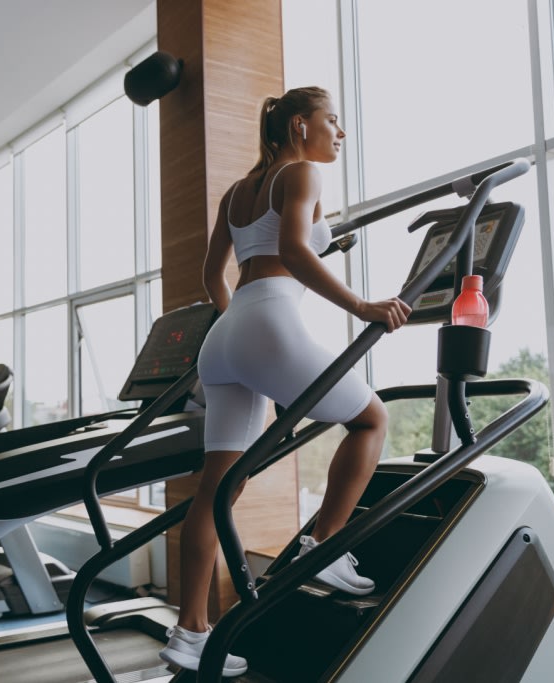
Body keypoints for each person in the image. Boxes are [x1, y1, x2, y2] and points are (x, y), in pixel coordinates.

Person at [158, 86, 412, 676]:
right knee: (370, 418)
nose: (340, 132)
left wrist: (236, 331)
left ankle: (190, 630)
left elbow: (210, 274)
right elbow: (296, 251)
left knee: (217, 489)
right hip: (269, 318)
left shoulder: (237, 191)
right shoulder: (301, 175)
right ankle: (325, 545)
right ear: (300, 126)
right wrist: (362, 306)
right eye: (332, 120)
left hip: (224, 337)